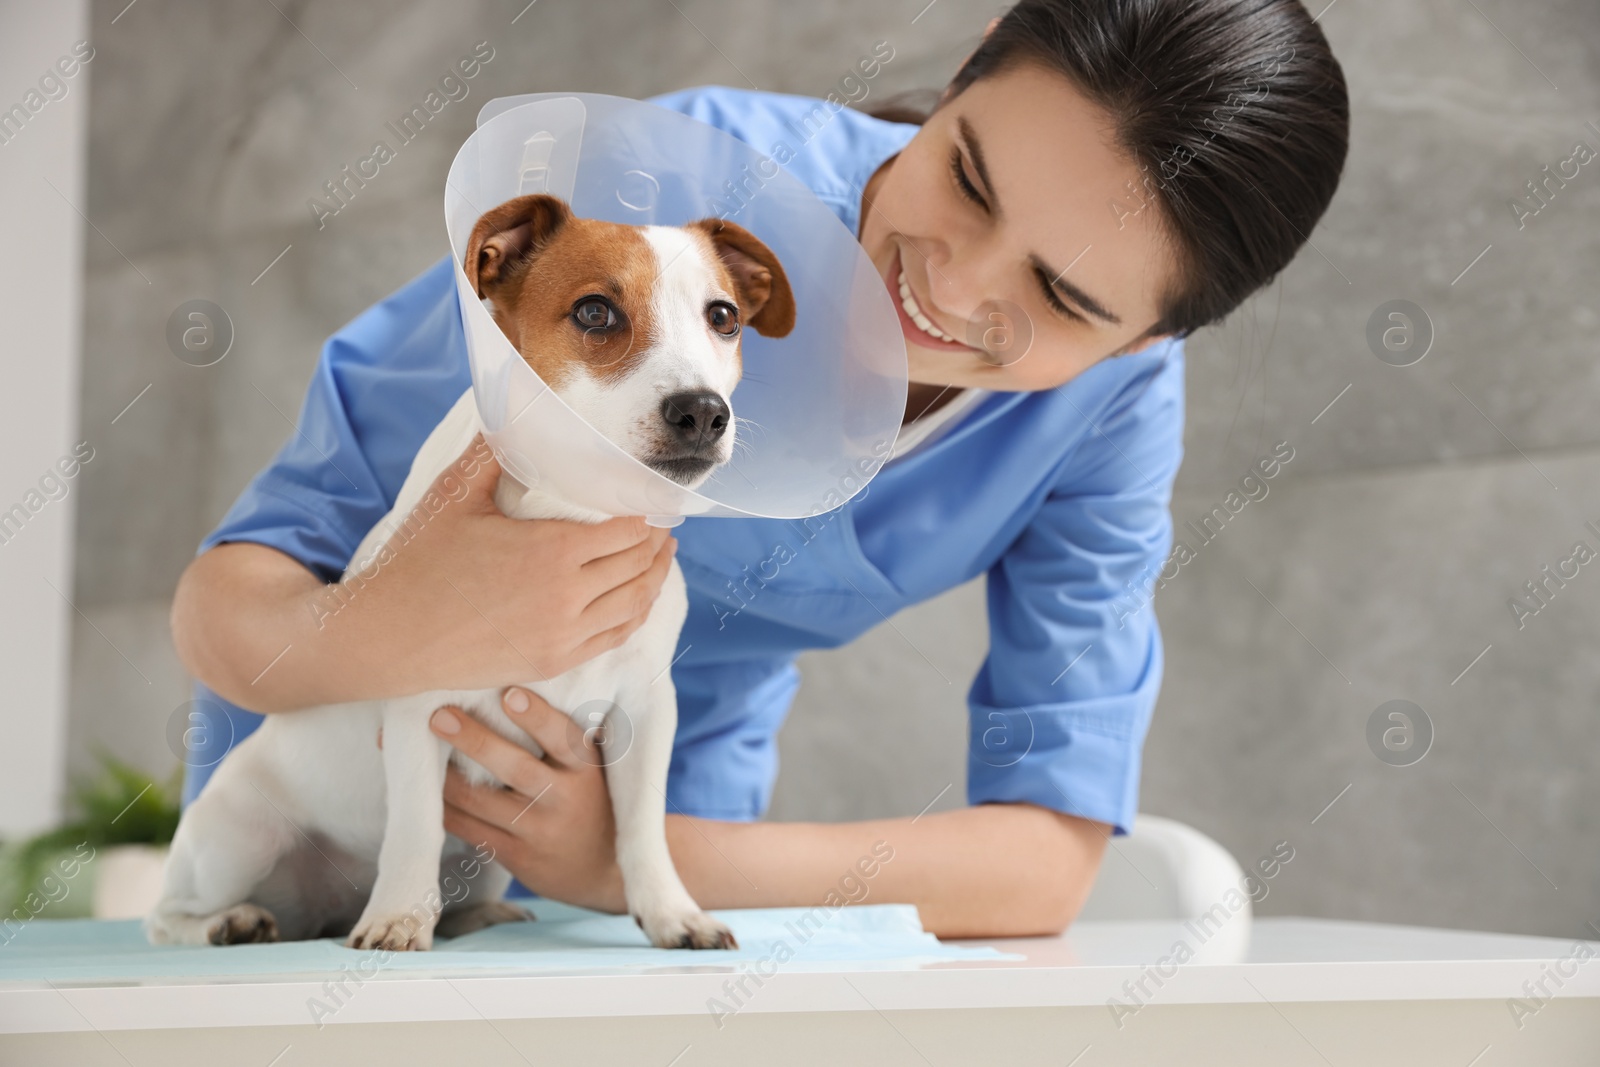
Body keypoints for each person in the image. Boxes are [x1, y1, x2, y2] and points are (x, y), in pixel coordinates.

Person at [171, 0, 1348, 938]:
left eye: (1059, 294)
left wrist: (626, 857)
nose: (952, 287)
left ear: (1145, 340)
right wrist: (407, 623)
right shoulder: (656, 200)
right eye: (970, 179)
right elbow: (229, 609)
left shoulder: (1109, 412)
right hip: (330, 814)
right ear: (977, 56)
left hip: (659, 845)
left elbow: (1042, 860)